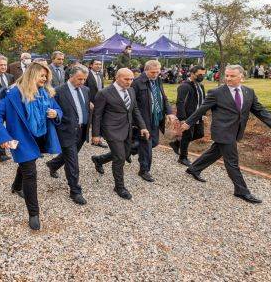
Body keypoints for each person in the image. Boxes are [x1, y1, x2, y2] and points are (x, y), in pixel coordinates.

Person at [182, 65, 271, 204]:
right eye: (227, 75)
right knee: (232, 161)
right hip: (222, 131)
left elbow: (259, 109)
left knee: (216, 152)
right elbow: (202, 109)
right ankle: (241, 191)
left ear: (242, 76)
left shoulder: (249, 92)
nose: (228, 78)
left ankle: (194, 168)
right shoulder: (216, 92)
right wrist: (188, 122)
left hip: (236, 130)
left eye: (232, 76)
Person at [0, 62, 63, 230]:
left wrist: (56, 113)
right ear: (32, 75)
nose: (45, 79)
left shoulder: (46, 93)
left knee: (26, 163)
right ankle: (34, 214)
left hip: (40, 136)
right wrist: (3, 137)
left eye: (46, 76)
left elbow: (58, 109)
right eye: (42, 76)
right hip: (22, 138)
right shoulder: (12, 94)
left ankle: (16, 186)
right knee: (30, 173)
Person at [91, 68, 149, 200]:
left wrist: (143, 127)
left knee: (124, 153)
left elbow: (135, 110)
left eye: (131, 79)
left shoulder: (131, 90)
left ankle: (99, 159)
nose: (129, 82)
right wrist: (96, 134)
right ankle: (119, 187)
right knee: (120, 158)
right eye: (126, 79)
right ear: (117, 77)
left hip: (127, 128)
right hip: (111, 129)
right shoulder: (104, 93)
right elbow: (97, 115)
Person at [45, 64, 90, 205]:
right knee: (72, 161)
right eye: (79, 79)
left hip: (82, 131)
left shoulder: (86, 90)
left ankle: (52, 165)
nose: (82, 82)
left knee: (69, 155)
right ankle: (75, 191)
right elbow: (53, 110)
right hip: (66, 131)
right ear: (71, 76)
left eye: (84, 80)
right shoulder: (58, 91)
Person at [131, 60, 175, 182]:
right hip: (144, 121)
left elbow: (163, 98)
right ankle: (144, 170)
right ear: (146, 70)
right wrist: (138, 123)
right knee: (146, 145)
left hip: (156, 118)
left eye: (158, 72)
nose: (155, 74)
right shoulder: (137, 83)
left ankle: (124, 152)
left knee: (153, 143)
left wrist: (170, 113)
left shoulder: (158, 80)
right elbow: (132, 106)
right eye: (153, 72)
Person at [171, 65, 207, 166]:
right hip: (188, 117)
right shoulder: (184, 86)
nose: (202, 76)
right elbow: (180, 102)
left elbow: (203, 101)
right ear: (192, 74)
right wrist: (183, 119)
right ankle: (183, 157)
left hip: (198, 116)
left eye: (203, 75)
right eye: (199, 74)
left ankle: (177, 143)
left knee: (200, 133)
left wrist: (203, 113)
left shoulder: (201, 86)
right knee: (187, 136)